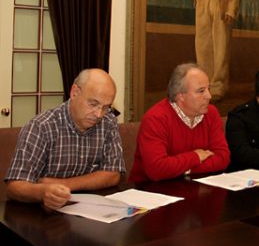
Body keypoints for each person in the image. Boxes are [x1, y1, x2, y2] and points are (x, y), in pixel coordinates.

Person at [5, 69, 125, 210]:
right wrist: (43, 192)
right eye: (93, 104)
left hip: (92, 210)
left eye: (105, 107)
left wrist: (65, 184)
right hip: (43, 214)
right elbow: (14, 186)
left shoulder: (108, 121)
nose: (99, 114)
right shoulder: (42, 126)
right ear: (74, 92)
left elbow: (113, 174)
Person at [129, 63, 230, 182]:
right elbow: (156, 170)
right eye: (201, 91)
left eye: (209, 89)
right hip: (152, 192)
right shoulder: (156, 119)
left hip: (197, 187)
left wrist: (185, 169)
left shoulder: (211, 113)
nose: (209, 96)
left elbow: (223, 158)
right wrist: (196, 156)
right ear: (180, 96)